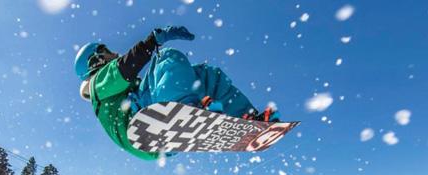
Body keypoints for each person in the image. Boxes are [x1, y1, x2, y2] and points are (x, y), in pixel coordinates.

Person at [74, 26, 280, 160]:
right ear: (96, 60)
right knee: (167, 57)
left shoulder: (113, 88)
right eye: (108, 51)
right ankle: (187, 109)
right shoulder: (96, 85)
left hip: (155, 136)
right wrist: (151, 41)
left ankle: (248, 118)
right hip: (139, 125)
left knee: (205, 74)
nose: (115, 53)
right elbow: (124, 68)